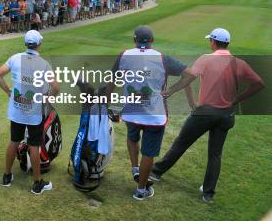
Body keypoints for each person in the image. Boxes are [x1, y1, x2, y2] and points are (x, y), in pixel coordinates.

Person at [151, 28, 265, 202]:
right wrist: (236, 100)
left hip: (204, 113)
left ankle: (156, 173)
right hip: (226, 115)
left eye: (210, 40)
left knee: (181, 144)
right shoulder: (238, 63)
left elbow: (189, 77)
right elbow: (258, 84)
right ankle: (208, 194)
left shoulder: (206, 59)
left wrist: (172, 90)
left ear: (213, 42)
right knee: (215, 154)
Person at [105, 25, 191, 200]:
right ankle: (141, 190)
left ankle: (135, 168)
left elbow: (111, 82)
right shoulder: (162, 58)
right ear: (152, 41)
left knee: (132, 137)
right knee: (149, 153)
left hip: (131, 111)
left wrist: (104, 104)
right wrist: (172, 90)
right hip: (155, 115)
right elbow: (190, 74)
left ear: (134, 40)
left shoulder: (124, 55)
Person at [0, 30, 60, 195]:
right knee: (34, 146)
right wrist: (47, 98)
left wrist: (8, 91)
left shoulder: (15, 58)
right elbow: (56, 86)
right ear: (38, 44)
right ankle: (37, 184)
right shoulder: (43, 64)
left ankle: (7, 177)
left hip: (16, 109)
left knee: (14, 141)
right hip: (33, 112)